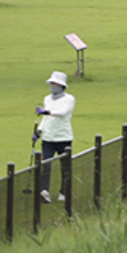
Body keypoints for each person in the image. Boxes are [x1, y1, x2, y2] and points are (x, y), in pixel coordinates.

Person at [35, 71, 75, 203]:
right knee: (46, 164)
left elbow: (63, 113)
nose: (52, 86)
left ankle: (64, 191)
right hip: (48, 137)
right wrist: (39, 130)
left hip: (63, 137)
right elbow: (46, 117)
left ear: (61, 85)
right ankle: (44, 191)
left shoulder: (69, 99)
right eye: (51, 83)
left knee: (65, 166)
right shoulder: (47, 98)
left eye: (55, 84)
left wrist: (47, 112)